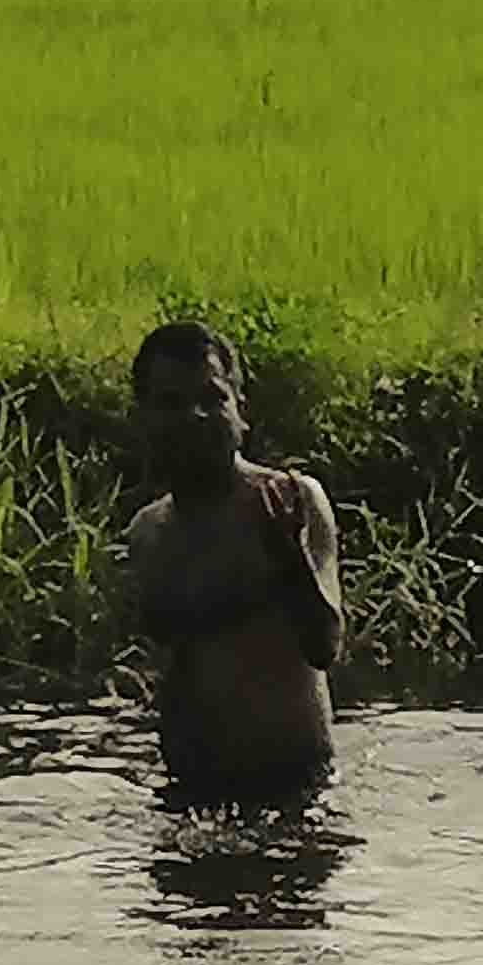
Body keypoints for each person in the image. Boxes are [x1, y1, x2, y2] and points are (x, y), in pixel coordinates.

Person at [121, 320, 343, 805]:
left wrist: (289, 561)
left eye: (212, 398)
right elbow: (172, 666)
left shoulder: (292, 500)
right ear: (144, 419)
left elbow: (324, 646)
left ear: (241, 410)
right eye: (172, 403)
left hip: (296, 782)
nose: (195, 416)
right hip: (194, 786)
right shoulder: (148, 533)